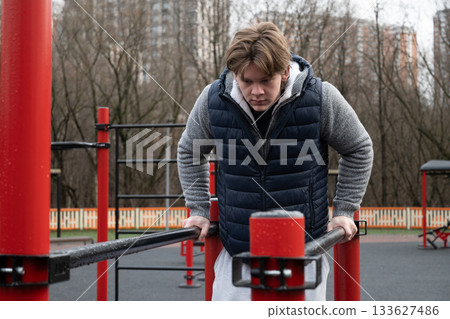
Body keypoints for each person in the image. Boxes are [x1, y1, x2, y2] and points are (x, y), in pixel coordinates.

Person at [177, 22, 373, 300]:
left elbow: (359, 148)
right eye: (247, 81)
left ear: (284, 72)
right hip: (238, 252)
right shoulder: (214, 99)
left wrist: (344, 209)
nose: (256, 91)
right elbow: (189, 150)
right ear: (235, 74)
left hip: (305, 251)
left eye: (265, 81)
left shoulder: (320, 97)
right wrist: (198, 207)